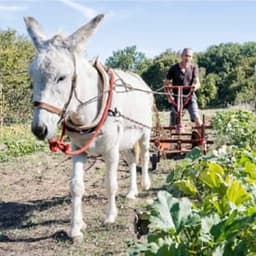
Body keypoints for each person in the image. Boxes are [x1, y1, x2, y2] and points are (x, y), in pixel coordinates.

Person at [164, 48, 202, 127]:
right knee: (173, 124)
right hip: (176, 99)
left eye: (189, 56)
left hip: (190, 97)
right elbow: (166, 84)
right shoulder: (174, 68)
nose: (187, 58)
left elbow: (197, 82)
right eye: (186, 56)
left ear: (191, 58)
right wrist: (169, 96)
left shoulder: (193, 68)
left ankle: (200, 136)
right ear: (181, 56)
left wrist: (195, 86)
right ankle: (172, 137)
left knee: (196, 117)